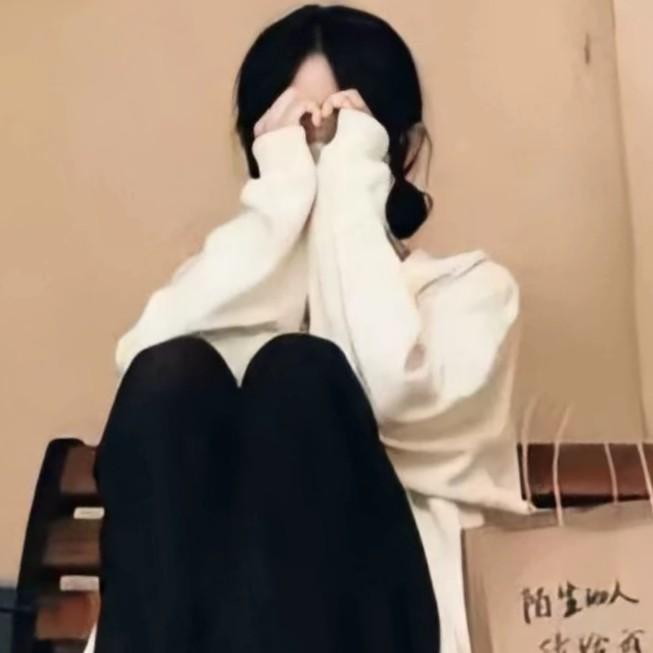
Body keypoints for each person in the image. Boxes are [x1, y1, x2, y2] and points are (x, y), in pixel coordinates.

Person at [85, 4, 532, 653]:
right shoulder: (232, 284)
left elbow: (388, 389)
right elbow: (141, 386)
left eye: (342, 130)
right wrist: (279, 199)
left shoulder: (471, 293)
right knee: (171, 372)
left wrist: (350, 178)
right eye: (293, 132)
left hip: (383, 628)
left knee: (298, 373)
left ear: (400, 148)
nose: (318, 155)